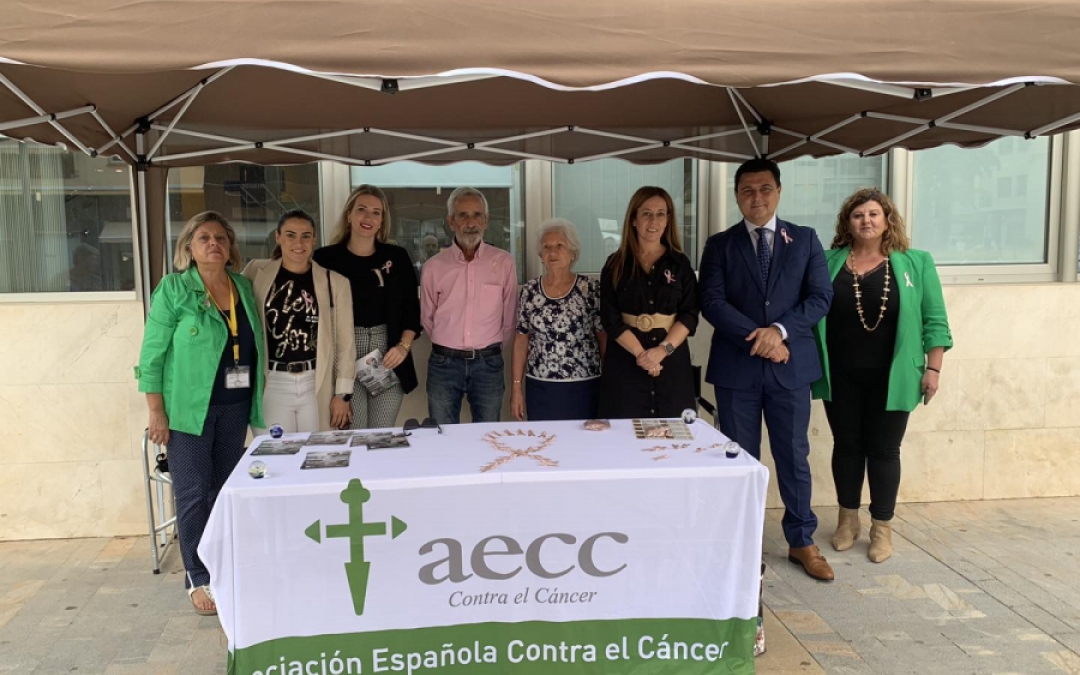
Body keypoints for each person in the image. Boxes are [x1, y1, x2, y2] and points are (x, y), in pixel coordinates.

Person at [699, 158, 835, 581]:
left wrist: (779, 333)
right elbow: (712, 302)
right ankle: (742, 542)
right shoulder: (719, 245)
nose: (756, 198)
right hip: (737, 370)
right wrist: (760, 339)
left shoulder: (806, 239)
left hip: (790, 368)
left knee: (793, 455)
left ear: (778, 191)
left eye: (764, 189)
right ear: (736, 196)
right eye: (747, 190)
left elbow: (820, 297)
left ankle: (801, 540)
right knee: (739, 459)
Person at [812, 188, 952, 563]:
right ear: (847, 222)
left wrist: (933, 368)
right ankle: (847, 520)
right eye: (858, 215)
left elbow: (935, 319)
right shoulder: (827, 261)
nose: (867, 220)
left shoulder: (915, 262)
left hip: (894, 375)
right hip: (840, 373)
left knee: (885, 450)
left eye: (874, 214)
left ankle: (881, 528)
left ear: (888, 220)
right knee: (846, 446)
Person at [136, 211, 265, 615]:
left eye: (221, 238)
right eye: (205, 238)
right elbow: (152, 356)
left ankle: (221, 565)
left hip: (234, 406)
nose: (214, 244)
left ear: (230, 247)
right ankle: (197, 576)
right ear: (189, 247)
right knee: (192, 493)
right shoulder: (174, 289)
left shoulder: (242, 286)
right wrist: (156, 411)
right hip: (188, 410)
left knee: (222, 491)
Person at [313, 185, 421, 430]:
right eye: (361, 209)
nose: (368, 217)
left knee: (382, 432)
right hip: (343, 354)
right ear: (349, 215)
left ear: (382, 221)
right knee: (354, 432)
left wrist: (403, 347)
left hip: (386, 353)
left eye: (376, 212)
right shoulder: (325, 259)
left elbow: (411, 311)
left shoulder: (397, 257)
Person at [243, 209, 356, 433]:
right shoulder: (256, 272)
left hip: (316, 381)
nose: (298, 242)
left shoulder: (335, 282)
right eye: (290, 235)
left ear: (314, 239)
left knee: (318, 450)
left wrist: (342, 395)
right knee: (275, 451)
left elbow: (345, 344)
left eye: (306, 236)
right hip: (273, 381)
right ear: (278, 237)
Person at [598, 186, 698, 419]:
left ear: (668, 220)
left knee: (673, 434)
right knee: (623, 433)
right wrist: (642, 355)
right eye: (646, 214)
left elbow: (690, 314)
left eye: (661, 214)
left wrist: (662, 351)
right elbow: (610, 319)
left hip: (671, 364)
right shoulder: (615, 265)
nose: (654, 221)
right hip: (625, 363)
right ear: (634, 219)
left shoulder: (680, 264)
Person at [420, 187, 518, 424]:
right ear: (451, 222)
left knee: (487, 436)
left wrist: (488, 349)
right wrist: (450, 343)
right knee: (442, 435)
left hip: (488, 364)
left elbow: (509, 318)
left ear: (486, 220)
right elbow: (428, 318)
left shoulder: (504, 262)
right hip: (444, 364)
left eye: (477, 215)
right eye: (463, 215)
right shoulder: (434, 267)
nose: (471, 222)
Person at [511, 219, 606, 421]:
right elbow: (521, 340)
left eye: (559, 245)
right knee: (545, 438)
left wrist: (610, 382)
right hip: (541, 386)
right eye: (546, 247)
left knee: (586, 437)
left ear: (572, 253)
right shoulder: (529, 291)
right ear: (540, 254)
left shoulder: (590, 289)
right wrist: (517, 388)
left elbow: (603, 338)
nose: (552, 252)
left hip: (585, 385)